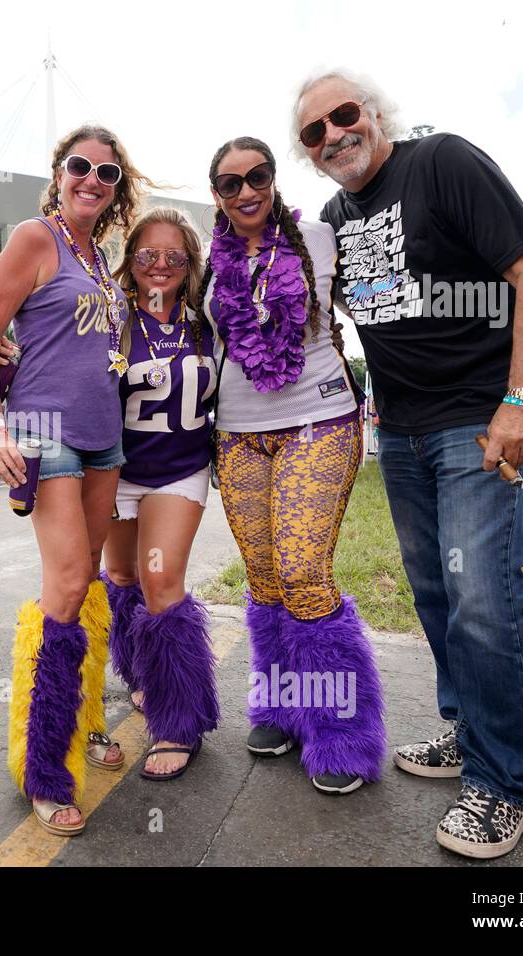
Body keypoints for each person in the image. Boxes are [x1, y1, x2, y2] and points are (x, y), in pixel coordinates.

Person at [296, 69, 523, 857]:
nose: (332, 135)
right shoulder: (335, 216)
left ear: (376, 115)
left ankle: (503, 783)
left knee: (483, 597)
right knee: (437, 592)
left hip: (474, 424)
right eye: (313, 132)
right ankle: (465, 730)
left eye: (343, 115)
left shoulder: (441, 161)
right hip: (402, 432)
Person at [0, 124, 152, 835]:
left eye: (107, 174)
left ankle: (88, 722)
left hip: (106, 444)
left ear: (116, 190)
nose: (92, 180)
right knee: (69, 584)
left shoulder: (102, 261)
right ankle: (45, 764)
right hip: (47, 437)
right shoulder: (34, 238)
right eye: (81, 167)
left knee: (95, 588)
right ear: (59, 172)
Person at [202, 137, 386, 795]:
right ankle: (280, 708)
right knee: (265, 576)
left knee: (305, 570)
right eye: (230, 184)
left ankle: (340, 730)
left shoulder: (320, 237)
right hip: (240, 438)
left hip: (320, 422)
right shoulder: (208, 263)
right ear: (216, 195)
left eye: (257, 176)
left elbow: (382, 312)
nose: (246, 192)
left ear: (275, 178)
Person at [102, 206, 220, 781]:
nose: (160, 265)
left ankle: (180, 719)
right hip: (116, 470)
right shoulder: (109, 318)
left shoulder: (209, 321)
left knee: (160, 579)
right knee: (121, 579)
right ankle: (146, 674)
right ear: (132, 260)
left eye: (175, 255)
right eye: (148, 253)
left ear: (190, 263)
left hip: (179, 469)